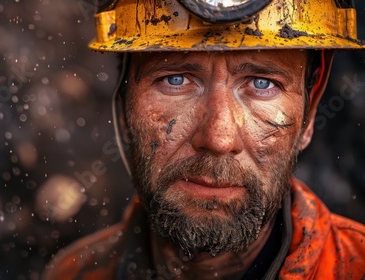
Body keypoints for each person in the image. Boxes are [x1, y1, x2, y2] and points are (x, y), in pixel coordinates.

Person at [43, 0, 365, 279]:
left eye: (262, 84)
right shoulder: (73, 274)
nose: (218, 138)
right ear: (125, 104)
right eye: (176, 79)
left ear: (309, 114)